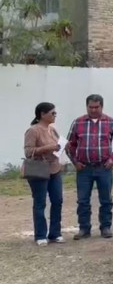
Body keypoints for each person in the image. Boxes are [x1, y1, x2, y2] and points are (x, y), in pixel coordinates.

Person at [65, 94, 113, 240]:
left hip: (103, 168)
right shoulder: (77, 123)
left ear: (101, 106)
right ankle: (84, 229)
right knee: (82, 200)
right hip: (84, 169)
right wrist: (75, 162)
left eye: (96, 107)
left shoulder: (111, 122)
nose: (93, 110)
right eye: (90, 107)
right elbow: (69, 145)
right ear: (86, 106)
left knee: (106, 199)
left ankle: (105, 227)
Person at [23, 102, 64, 246]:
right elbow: (28, 152)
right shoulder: (33, 131)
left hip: (55, 169)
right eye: (52, 113)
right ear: (42, 114)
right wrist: (48, 147)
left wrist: (61, 148)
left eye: (55, 113)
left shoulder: (52, 130)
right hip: (39, 170)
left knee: (57, 200)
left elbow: (58, 145)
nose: (55, 116)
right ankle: (40, 235)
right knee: (40, 202)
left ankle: (55, 233)